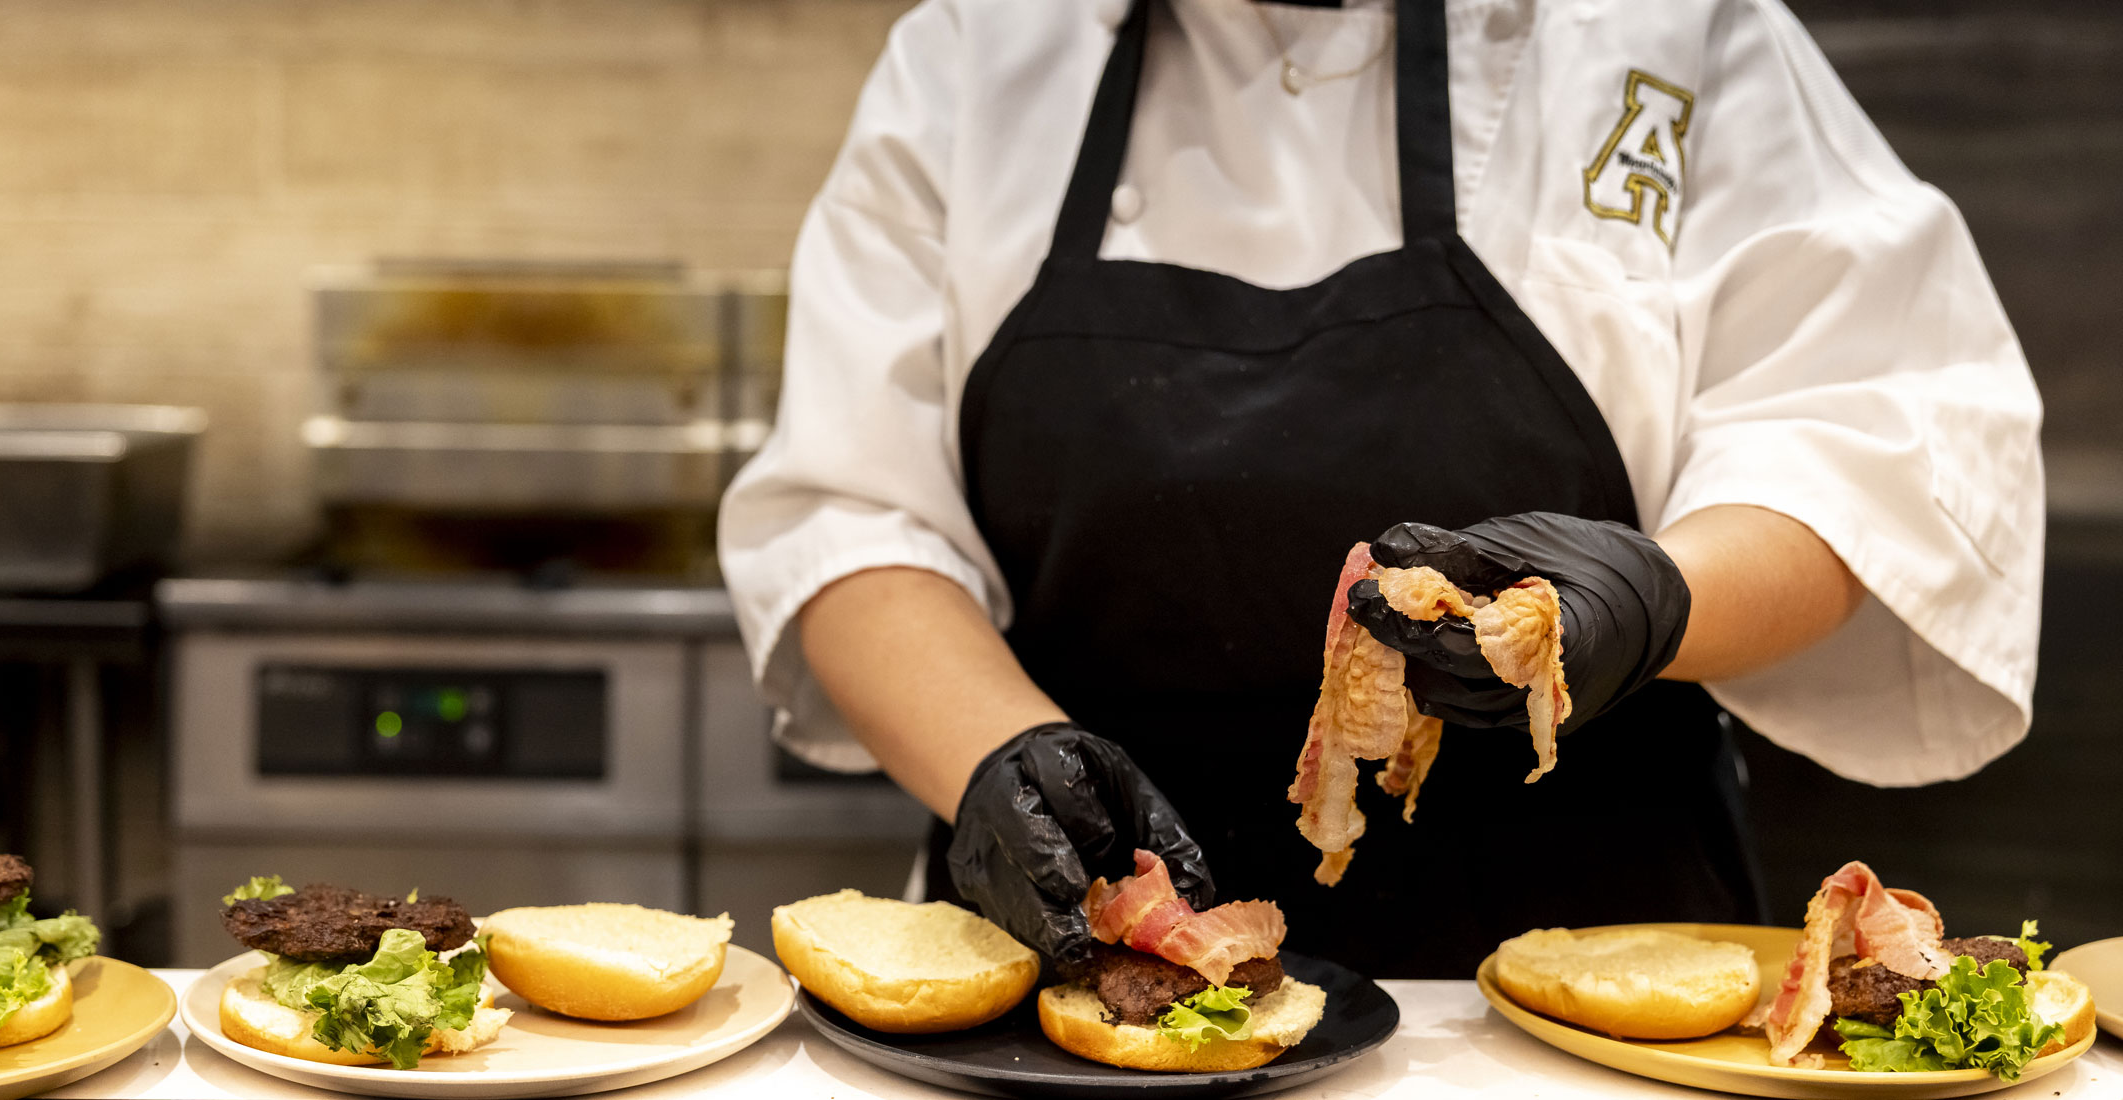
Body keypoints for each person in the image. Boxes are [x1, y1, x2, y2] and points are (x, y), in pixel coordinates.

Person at [718, 0, 2044, 978]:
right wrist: (998, 764)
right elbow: (850, 515)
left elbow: (1883, 444)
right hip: (1078, 973)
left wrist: (1648, 599)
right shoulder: (975, 52)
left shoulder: (1668, 30)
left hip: (1601, 972)